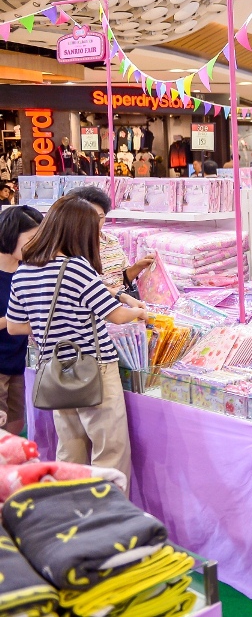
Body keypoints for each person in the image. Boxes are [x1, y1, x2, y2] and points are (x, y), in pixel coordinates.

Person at [6, 196, 150, 484]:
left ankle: (71, 504)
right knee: (110, 450)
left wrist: (53, 321)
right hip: (94, 366)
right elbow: (116, 316)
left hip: (55, 368)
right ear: (79, 231)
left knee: (69, 448)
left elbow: (14, 327)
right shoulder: (76, 267)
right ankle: (109, 507)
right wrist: (141, 311)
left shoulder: (24, 270)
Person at [0, 206, 42, 434]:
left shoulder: (28, 270)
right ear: (10, 235)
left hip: (16, 362)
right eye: (31, 239)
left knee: (15, 426)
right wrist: (14, 319)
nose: (36, 245)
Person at [66, 187, 155, 295]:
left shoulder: (112, 241)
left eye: (100, 217)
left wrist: (139, 266)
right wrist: (120, 297)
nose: (95, 222)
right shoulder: (69, 248)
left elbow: (121, 280)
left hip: (120, 302)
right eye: (89, 218)